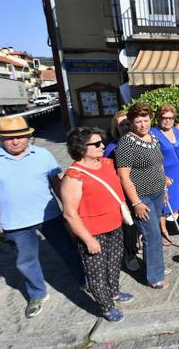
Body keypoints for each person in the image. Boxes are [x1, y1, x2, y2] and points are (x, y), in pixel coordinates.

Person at [0, 116, 85, 318]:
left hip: (49, 215)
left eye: (19, 136)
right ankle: (37, 294)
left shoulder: (42, 154)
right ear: (0, 139)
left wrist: (71, 212)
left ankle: (84, 281)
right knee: (26, 261)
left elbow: (56, 183)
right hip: (15, 222)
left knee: (69, 249)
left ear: (28, 135)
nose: (15, 141)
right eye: (9, 138)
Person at [61, 127, 134, 323]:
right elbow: (70, 214)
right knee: (96, 272)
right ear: (81, 148)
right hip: (93, 232)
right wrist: (87, 239)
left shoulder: (106, 163)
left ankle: (114, 292)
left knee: (113, 263)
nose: (102, 146)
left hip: (114, 225)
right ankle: (106, 306)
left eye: (101, 142)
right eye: (96, 144)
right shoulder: (74, 176)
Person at [116, 103, 170, 289]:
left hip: (156, 192)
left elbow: (159, 164)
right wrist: (136, 202)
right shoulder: (126, 143)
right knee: (152, 235)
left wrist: (164, 189)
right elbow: (123, 175)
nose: (142, 125)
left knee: (154, 234)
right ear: (131, 122)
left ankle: (158, 266)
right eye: (138, 121)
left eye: (146, 120)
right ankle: (155, 277)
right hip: (142, 197)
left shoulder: (153, 137)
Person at [103, 111, 140, 271]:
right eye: (122, 124)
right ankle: (130, 254)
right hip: (122, 192)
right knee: (129, 224)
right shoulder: (111, 148)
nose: (126, 127)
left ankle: (137, 247)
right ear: (116, 128)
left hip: (140, 188)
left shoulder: (137, 141)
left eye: (127, 123)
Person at [152, 104, 179, 247]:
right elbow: (153, 157)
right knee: (163, 203)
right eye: (164, 118)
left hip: (176, 172)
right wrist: (161, 175)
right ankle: (162, 232)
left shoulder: (176, 131)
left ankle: (170, 227)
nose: (168, 121)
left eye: (171, 118)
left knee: (173, 200)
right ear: (158, 118)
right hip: (162, 172)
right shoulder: (153, 133)